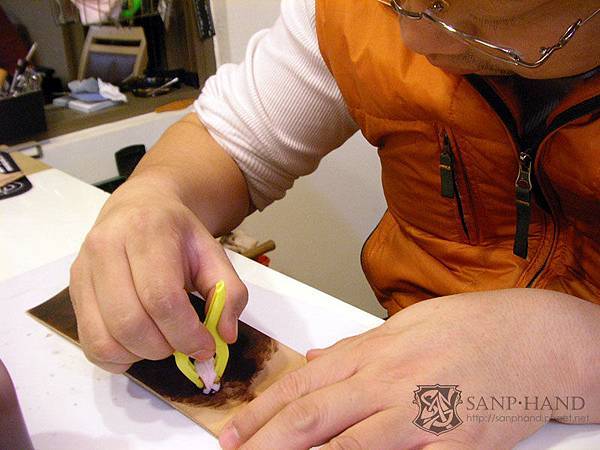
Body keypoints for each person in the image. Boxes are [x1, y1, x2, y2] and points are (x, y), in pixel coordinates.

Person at [69, 0, 600, 448]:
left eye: (477, 15)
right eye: (395, 1)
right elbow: (231, 140)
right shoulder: (354, 11)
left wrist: (569, 349)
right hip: (409, 377)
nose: (412, 38)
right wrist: (151, 198)